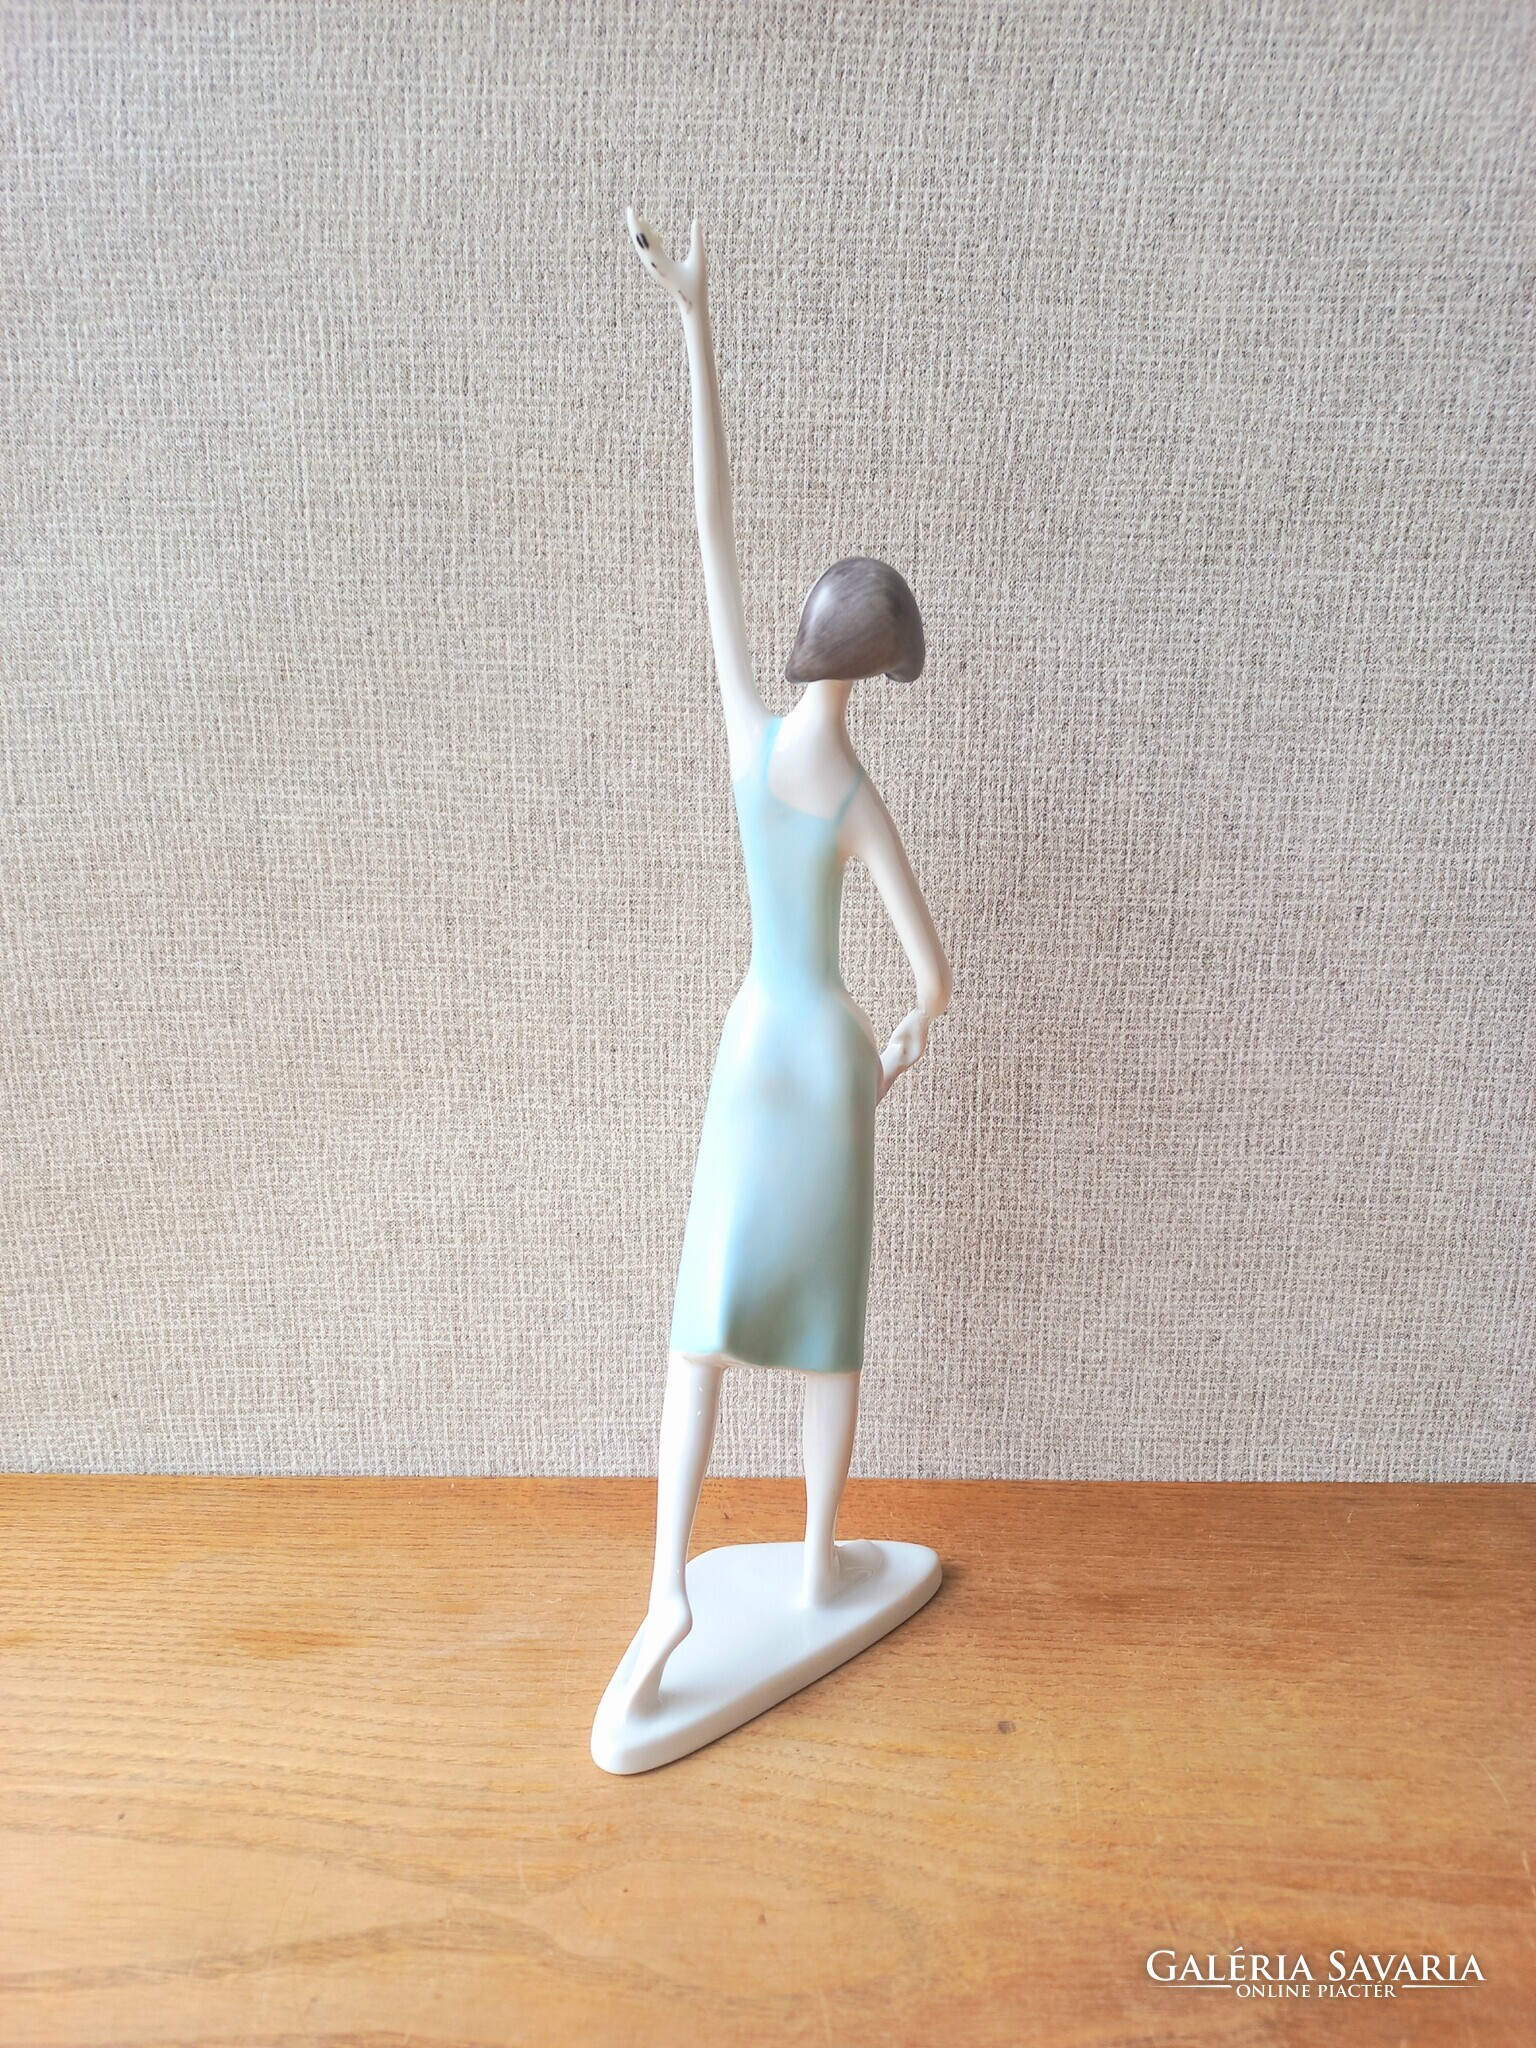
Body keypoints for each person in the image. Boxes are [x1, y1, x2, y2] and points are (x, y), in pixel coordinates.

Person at [622, 212, 951, 1713]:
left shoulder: (751, 742)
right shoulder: (855, 794)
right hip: (829, 1060)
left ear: (813, 646)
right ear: (880, 665)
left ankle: (665, 1586)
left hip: (752, 1041)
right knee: (827, 1327)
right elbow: (933, 976)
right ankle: (818, 1560)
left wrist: (693, 322)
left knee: (704, 1318)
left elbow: (711, 530)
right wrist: (897, 1053)